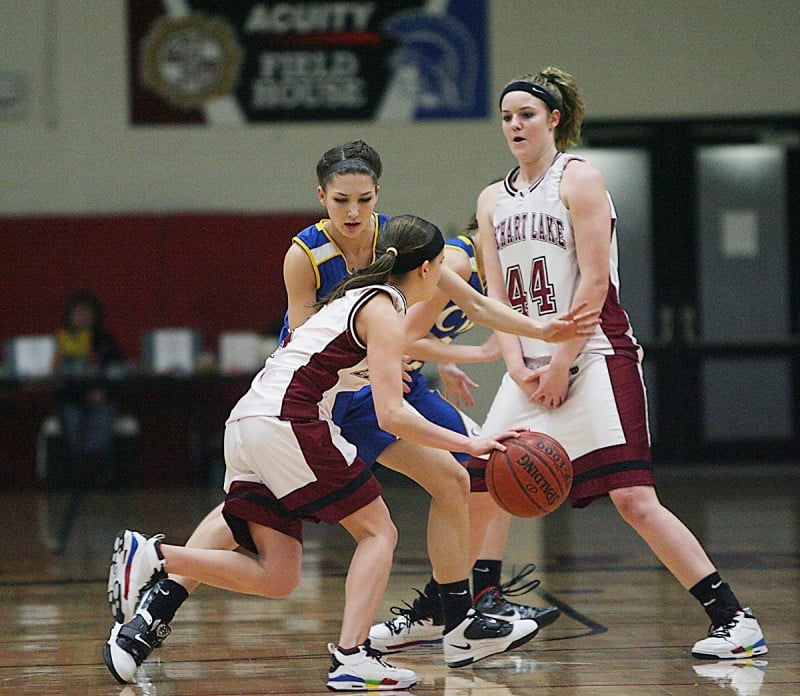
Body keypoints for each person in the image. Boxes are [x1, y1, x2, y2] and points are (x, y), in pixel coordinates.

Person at [102, 141, 597, 683]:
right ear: (322, 198)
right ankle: (164, 604)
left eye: (364, 200)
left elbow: (469, 305)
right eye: (342, 201)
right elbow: (313, 339)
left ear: (379, 197)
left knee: (453, 484)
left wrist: (538, 331)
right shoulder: (308, 256)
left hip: (301, 402)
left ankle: (455, 619)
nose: (354, 212)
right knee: (365, 525)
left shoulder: (397, 246)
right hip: (307, 404)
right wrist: (390, 363)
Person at [468, 67, 767, 660]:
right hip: (526, 364)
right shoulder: (491, 199)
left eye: (526, 114)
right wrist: (519, 364)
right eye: (506, 117)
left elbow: (596, 281)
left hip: (597, 353)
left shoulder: (579, 180)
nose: (515, 125)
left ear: (553, 120)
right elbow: (496, 298)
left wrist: (558, 364)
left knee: (633, 500)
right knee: (483, 485)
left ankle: (734, 620)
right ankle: (484, 611)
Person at [366, 213, 561, 653]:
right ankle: (450, 607)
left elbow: (429, 322)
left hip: (408, 384)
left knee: (493, 477)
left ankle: (462, 603)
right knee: (490, 473)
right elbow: (403, 338)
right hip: (387, 390)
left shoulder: (483, 268)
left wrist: (448, 361)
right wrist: (477, 354)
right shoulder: (458, 262)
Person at [50, 290, 124, 484]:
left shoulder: (106, 342)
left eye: (86, 313)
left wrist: (103, 392)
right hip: (71, 400)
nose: (82, 318)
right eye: (78, 313)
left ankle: (95, 470)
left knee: (101, 419)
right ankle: (80, 472)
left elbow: (117, 374)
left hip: (101, 399)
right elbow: (56, 378)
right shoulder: (61, 342)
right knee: (73, 421)